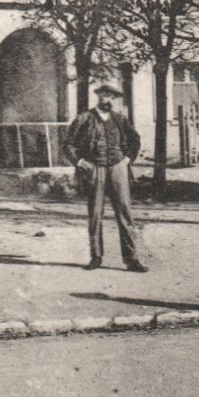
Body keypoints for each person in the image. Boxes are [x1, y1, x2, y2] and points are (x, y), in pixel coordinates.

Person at [66, 82, 148, 272]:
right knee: (95, 214)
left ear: (114, 99)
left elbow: (135, 140)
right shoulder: (84, 118)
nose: (107, 99)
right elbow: (68, 144)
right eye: (104, 95)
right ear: (98, 96)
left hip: (118, 169)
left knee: (125, 214)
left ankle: (132, 259)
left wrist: (127, 159)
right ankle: (96, 257)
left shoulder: (120, 119)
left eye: (111, 96)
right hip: (95, 170)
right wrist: (80, 162)